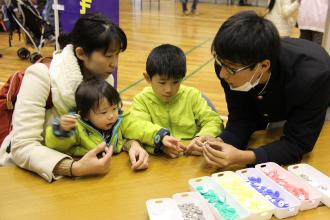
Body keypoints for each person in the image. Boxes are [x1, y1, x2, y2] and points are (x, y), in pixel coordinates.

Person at [0, 12, 129, 182]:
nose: (115, 64)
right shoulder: (41, 76)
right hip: (30, 174)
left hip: (85, 171)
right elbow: (22, 146)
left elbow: (111, 125)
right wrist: (74, 168)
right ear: (81, 53)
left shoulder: (104, 78)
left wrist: (131, 144)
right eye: (108, 55)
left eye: (117, 54)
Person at [193, 11, 330, 168]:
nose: (223, 74)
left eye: (230, 69)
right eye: (221, 63)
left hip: (317, 105)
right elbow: (242, 117)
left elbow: (298, 143)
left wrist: (245, 157)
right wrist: (221, 142)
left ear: (263, 66)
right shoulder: (227, 65)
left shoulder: (312, 76)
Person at [45, 78, 182, 171]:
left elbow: (139, 126)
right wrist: (61, 130)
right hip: (84, 177)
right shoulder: (77, 127)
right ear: (85, 114)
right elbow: (56, 146)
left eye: (114, 108)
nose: (111, 115)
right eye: (103, 112)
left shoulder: (120, 120)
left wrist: (160, 136)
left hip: (115, 171)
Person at [130, 44, 224, 158]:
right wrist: (159, 143)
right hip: (159, 160)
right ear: (148, 78)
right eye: (162, 83)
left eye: (175, 82)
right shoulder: (141, 100)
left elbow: (214, 121)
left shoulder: (192, 95)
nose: (169, 90)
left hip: (192, 157)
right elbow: (137, 129)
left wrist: (200, 138)